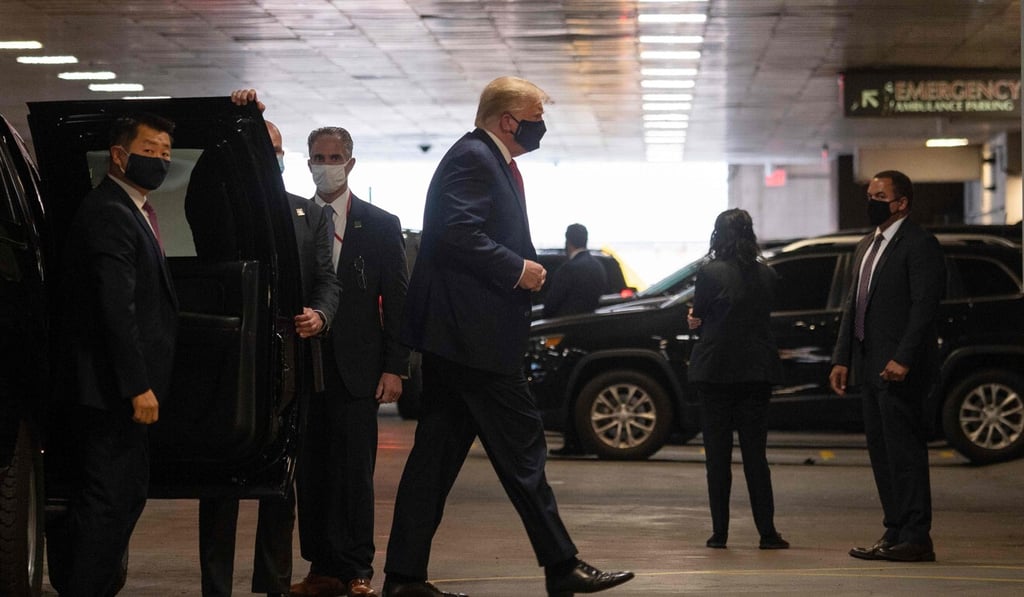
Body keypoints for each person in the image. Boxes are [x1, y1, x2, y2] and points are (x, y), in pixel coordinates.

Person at [381, 75, 634, 597]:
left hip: (459, 339)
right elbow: (456, 232)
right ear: (507, 120)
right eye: (536, 116)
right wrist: (518, 269)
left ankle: (404, 578)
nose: (542, 125)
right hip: (475, 340)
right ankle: (561, 566)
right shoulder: (475, 158)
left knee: (432, 463)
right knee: (524, 452)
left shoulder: (485, 159)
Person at [193, 103, 341, 597]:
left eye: (274, 149)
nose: (269, 157)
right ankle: (215, 585)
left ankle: (272, 583)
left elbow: (327, 281)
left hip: (288, 359)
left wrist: (320, 315)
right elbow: (199, 191)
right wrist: (233, 116)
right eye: (260, 147)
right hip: (233, 357)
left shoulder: (308, 213)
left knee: (282, 477)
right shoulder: (222, 205)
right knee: (220, 478)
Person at [285, 125, 410, 597]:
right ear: (308, 163)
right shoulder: (293, 218)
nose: (325, 166)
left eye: (334, 158)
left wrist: (395, 366)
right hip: (305, 364)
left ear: (350, 163)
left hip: (358, 367)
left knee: (354, 472)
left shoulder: (379, 224)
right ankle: (322, 567)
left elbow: (397, 299)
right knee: (311, 471)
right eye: (318, 158)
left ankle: (358, 567)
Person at [59, 113, 179, 596]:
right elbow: (115, 307)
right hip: (110, 391)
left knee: (124, 497)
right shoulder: (110, 211)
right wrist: (137, 385)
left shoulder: (133, 209)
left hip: (118, 390)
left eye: (166, 153)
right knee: (108, 502)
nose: (161, 160)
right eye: (150, 151)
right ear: (119, 155)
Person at [829, 170, 945, 563]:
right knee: (882, 453)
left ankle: (916, 536)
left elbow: (924, 307)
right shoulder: (868, 245)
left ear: (902, 202)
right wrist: (842, 358)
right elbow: (854, 305)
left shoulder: (919, 244)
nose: (871, 202)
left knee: (905, 454)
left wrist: (904, 358)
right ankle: (894, 530)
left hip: (900, 368)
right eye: (870, 195)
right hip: (869, 365)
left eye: (880, 196)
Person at [685, 209, 788, 551]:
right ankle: (767, 533)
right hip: (756, 373)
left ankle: (720, 533)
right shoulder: (767, 274)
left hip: (715, 373)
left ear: (719, 234)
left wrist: (694, 318)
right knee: (756, 456)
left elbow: (700, 314)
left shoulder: (709, 272)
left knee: (717, 457)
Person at [542, 223, 608, 318]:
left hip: (563, 324)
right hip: (591, 322)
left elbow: (551, 305)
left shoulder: (568, 268)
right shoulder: (598, 266)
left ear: (567, 241)